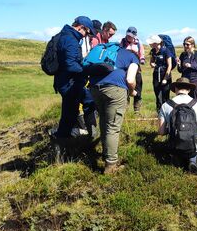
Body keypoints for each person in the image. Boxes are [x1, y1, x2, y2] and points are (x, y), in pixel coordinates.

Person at [89, 32, 139, 174]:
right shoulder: (132, 57)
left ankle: (106, 153)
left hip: (95, 89)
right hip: (115, 91)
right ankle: (111, 165)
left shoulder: (104, 53)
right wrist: (132, 91)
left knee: (104, 120)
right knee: (113, 127)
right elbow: (130, 79)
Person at [52, 16, 96, 155]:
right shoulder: (70, 40)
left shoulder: (64, 36)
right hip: (69, 83)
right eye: (87, 32)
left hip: (65, 81)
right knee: (70, 115)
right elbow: (70, 64)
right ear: (81, 27)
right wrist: (86, 70)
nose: (86, 36)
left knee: (82, 105)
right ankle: (62, 147)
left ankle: (83, 137)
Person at [158, 77, 197, 174]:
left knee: (174, 143)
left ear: (175, 89)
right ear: (189, 89)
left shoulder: (166, 105)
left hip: (174, 146)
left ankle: (177, 159)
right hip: (193, 147)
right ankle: (192, 160)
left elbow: (161, 132)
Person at [120, 27, 145, 113]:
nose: (129, 37)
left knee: (138, 88)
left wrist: (141, 59)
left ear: (135, 35)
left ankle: (137, 111)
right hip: (125, 68)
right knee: (125, 89)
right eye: (128, 35)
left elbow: (141, 53)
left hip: (136, 67)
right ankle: (125, 110)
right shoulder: (122, 42)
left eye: (131, 36)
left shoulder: (138, 43)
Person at [147, 34, 173, 111]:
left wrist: (165, 78)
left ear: (156, 43)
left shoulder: (166, 51)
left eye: (151, 43)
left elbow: (169, 65)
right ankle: (159, 112)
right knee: (158, 95)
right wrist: (152, 64)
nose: (149, 44)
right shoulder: (153, 51)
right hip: (156, 75)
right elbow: (151, 62)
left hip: (165, 75)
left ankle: (167, 113)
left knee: (165, 96)